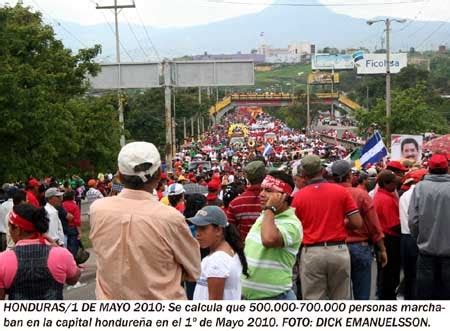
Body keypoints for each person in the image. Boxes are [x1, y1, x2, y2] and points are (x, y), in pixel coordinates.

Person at [90, 141, 201, 299]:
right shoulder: (170, 218)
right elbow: (194, 269)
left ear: (120, 176)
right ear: (157, 175)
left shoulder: (98, 210)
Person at [292, 155, 362, 300]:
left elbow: (294, 229)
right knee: (341, 299)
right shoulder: (340, 191)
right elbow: (357, 223)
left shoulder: (298, 197)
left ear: (304, 174)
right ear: (322, 171)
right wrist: (337, 223)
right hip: (338, 250)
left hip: (311, 252)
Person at [242, 171, 302, 300]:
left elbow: (269, 240)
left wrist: (270, 209)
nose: (261, 194)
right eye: (262, 189)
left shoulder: (291, 223)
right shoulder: (265, 216)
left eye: (268, 190)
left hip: (276, 298)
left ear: (283, 196)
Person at [331, 160, 386, 300]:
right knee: (362, 297)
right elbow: (374, 225)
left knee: (338, 296)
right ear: (349, 176)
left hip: (334, 248)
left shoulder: (327, 195)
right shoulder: (360, 195)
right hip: (359, 247)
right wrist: (382, 249)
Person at [0, 204, 80, 299]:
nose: (9, 231)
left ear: (17, 230)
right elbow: (73, 279)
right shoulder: (61, 254)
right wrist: (58, 247)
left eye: (10, 227)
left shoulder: (3, 260)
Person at [409, 154, 450, 299]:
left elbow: (413, 220)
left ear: (429, 169)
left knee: (425, 298)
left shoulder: (420, 188)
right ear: (447, 168)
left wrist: (420, 238)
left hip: (426, 252)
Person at [189, 206, 247, 300]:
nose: (197, 233)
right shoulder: (226, 253)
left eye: (203, 228)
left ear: (218, 230)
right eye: (197, 228)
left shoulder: (217, 260)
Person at [399, 168, 427, 300]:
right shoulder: (420, 194)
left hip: (405, 237)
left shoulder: (404, 195)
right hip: (416, 236)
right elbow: (416, 219)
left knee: (409, 273)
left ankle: (408, 298)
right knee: (418, 274)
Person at [373, 170, 401, 300]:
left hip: (385, 238)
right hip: (389, 239)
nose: (396, 186)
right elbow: (393, 224)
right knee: (389, 274)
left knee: (386, 273)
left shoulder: (383, 195)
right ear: (385, 183)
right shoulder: (385, 199)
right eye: (394, 183)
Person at [227, 160, 265, 241]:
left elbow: (231, 232)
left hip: (246, 249)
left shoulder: (235, 203)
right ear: (265, 176)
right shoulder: (276, 198)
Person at [62, 191, 81, 259]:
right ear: (72, 197)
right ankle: (73, 262)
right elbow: (77, 221)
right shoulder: (74, 206)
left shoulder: (61, 205)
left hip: (63, 228)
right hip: (72, 228)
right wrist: (79, 232)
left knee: (64, 247)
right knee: (73, 247)